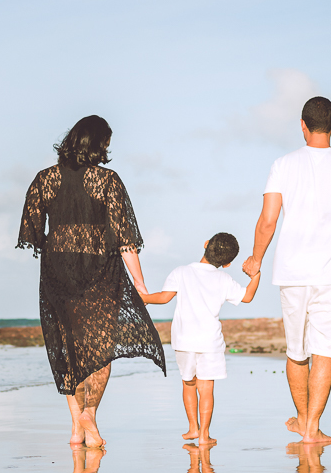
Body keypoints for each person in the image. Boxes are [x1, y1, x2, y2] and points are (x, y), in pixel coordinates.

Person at [17, 115, 165, 449]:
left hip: (58, 273)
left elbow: (31, 232)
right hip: (100, 273)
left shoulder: (44, 180)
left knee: (70, 350)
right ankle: (90, 414)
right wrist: (140, 285)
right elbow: (126, 239)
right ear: (97, 144)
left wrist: (60, 244)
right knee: (100, 350)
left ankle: (75, 428)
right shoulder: (107, 181)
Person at [242, 96, 331, 444]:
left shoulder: (283, 164)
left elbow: (267, 221)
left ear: (303, 125)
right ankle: (312, 429)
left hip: (291, 274)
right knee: (325, 351)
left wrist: (256, 259)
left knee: (296, 351)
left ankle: (302, 420)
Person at [140, 233, 261, 445]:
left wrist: (144, 298)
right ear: (228, 264)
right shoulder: (224, 278)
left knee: (188, 384)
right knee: (206, 389)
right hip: (210, 342)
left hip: (184, 341)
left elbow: (164, 297)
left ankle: (192, 429)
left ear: (206, 245)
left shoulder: (182, 272)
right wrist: (256, 275)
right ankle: (205, 435)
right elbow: (247, 297)